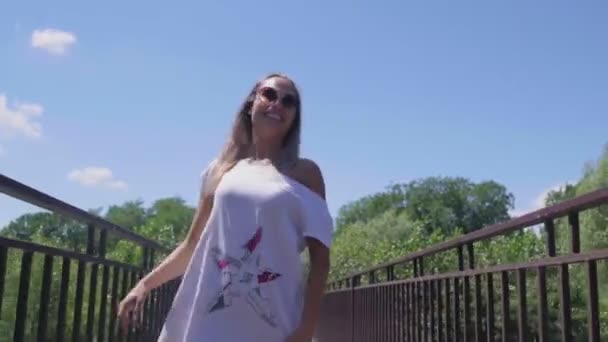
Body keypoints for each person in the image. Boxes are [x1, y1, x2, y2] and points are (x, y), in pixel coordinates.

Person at [117, 73, 334, 341]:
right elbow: (193, 244)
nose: (277, 103)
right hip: (210, 322)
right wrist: (144, 285)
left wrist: (306, 329)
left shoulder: (306, 174)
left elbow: (320, 262)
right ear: (251, 101)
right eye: (269, 94)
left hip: (275, 325)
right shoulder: (221, 170)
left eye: (288, 101)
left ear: (294, 117)